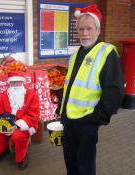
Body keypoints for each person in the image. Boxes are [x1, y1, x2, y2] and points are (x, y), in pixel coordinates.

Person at [58, 4, 124, 175]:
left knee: (85, 166)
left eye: (88, 29)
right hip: (70, 121)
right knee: (70, 162)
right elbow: (71, 86)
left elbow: (114, 92)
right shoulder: (76, 54)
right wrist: (62, 112)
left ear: (97, 30)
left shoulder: (106, 52)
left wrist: (96, 119)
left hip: (87, 122)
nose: (84, 33)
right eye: (81, 29)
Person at [0, 71, 40, 169]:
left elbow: (33, 115)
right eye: (13, 83)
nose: (15, 85)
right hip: (6, 123)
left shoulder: (32, 95)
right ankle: (2, 150)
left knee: (18, 136)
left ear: (22, 82)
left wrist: (16, 126)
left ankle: (21, 157)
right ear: (10, 83)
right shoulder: (5, 94)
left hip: (24, 124)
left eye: (18, 82)